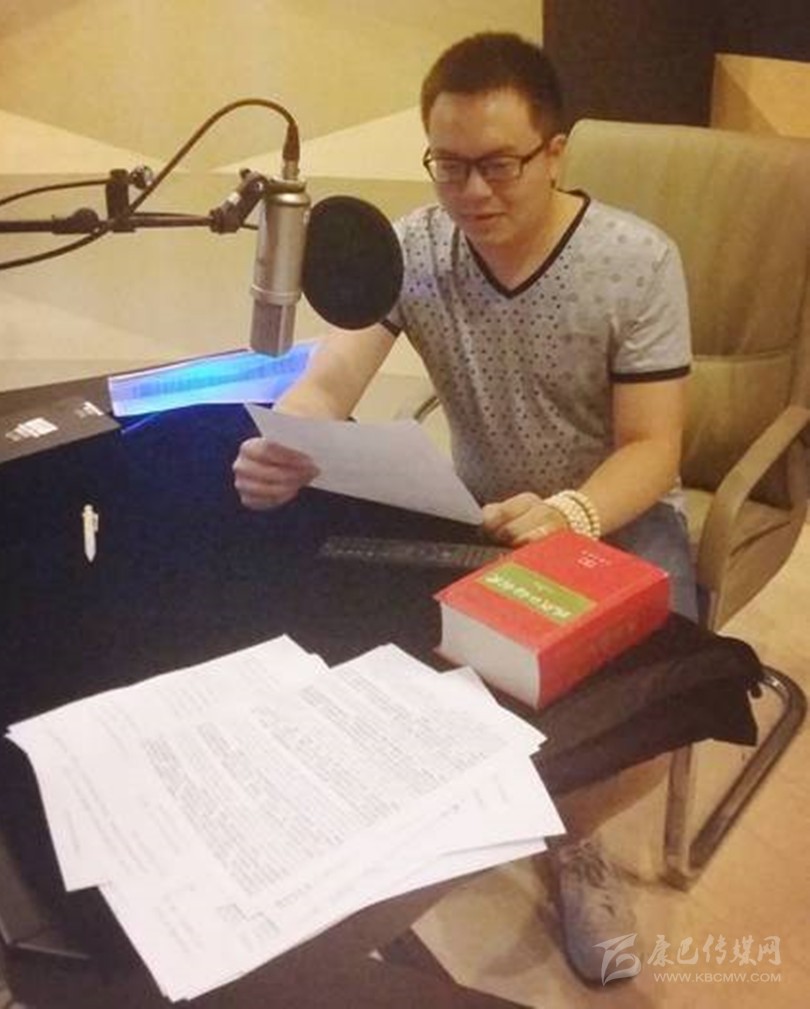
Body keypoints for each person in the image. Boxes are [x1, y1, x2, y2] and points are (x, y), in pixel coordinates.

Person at [233, 32, 697, 983]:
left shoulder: (637, 261)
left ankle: (573, 839)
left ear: (555, 152)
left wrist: (571, 513)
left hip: (613, 516)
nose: (472, 192)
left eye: (498, 165)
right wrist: (290, 438)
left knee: (655, 709)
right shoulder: (414, 249)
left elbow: (655, 447)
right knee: (357, 645)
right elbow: (333, 379)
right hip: (477, 513)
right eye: (448, 166)